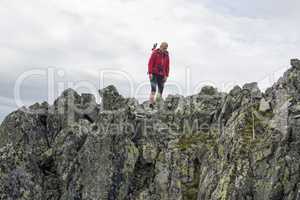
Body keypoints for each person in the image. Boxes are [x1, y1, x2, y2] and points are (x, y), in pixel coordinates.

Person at [148, 42, 170, 108]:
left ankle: (157, 104)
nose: (164, 50)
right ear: (160, 47)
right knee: (153, 90)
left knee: (160, 91)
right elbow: (150, 63)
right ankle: (151, 104)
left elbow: (167, 66)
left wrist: (166, 75)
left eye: (165, 48)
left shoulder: (166, 55)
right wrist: (150, 73)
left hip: (162, 75)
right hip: (154, 74)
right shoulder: (155, 53)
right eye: (163, 48)